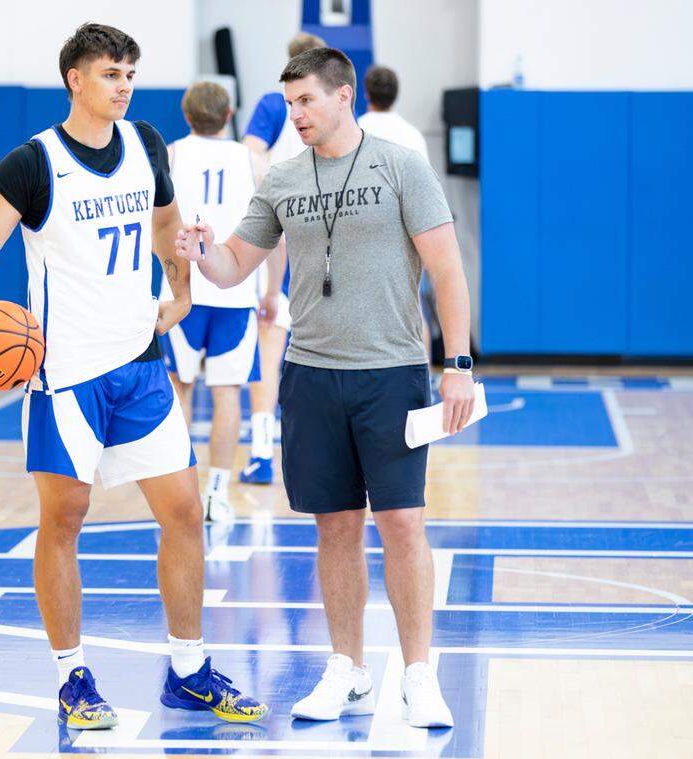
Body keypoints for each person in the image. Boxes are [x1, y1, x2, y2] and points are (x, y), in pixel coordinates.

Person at [0, 23, 267, 730]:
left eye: (129, 74)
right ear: (74, 80)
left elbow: (169, 221)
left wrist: (180, 288)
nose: (123, 85)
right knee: (65, 518)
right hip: (66, 375)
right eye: (110, 73)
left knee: (182, 513)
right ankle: (71, 675)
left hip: (141, 363)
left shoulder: (147, 145)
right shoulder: (31, 164)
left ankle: (187, 668)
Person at [174, 47, 475, 729]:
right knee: (334, 527)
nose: (295, 114)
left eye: (305, 100)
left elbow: (448, 271)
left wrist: (456, 363)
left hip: (391, 371)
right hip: (309, 374)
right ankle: (347, 666)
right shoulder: (281, 177)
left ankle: (419, 673)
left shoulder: (401, 167)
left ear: (344, 97)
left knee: (402, 522)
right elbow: (232, 267)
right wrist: (202, 251)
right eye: (288, 103)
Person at [160, 81, 266, 522]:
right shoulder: (253, 159)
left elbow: (156, 226)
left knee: (179, 392)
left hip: (182, 291)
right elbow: (273, 236)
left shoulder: (169, 154)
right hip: (236, 291)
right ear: (229, 115)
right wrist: (273, 290)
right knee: (228, 395)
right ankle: (217, 493)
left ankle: (182, 494)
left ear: (187, 115)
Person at [235, 31, 326, 485]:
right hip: (326, 233)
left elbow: (251, 155)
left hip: (283, 235)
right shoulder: (329, 106)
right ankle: (321, 452)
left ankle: (263, 452)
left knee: (269, 353)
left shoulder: (274, 104)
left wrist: (267, 197)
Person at [357, 64, 436, 351]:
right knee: (412, 305)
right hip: (407, 230)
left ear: (365, 93)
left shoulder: (357, 130)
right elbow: (425, 191)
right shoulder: (413, 135)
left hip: (364, 231)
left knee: (362, 307)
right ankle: (423, 374)